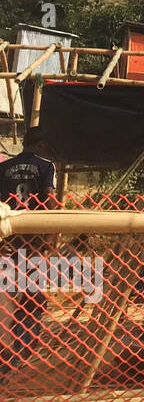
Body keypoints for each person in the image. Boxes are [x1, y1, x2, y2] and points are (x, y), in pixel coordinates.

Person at [0, 125, 58, 378]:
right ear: (42, 145)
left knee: (6, 301)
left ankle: (4, 354)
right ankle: (13, 359)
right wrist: (51, 236)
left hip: (7, 241)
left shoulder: (2, 167)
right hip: (32, 245)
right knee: (33, 301)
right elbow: (50, 200)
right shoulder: (47, 166)